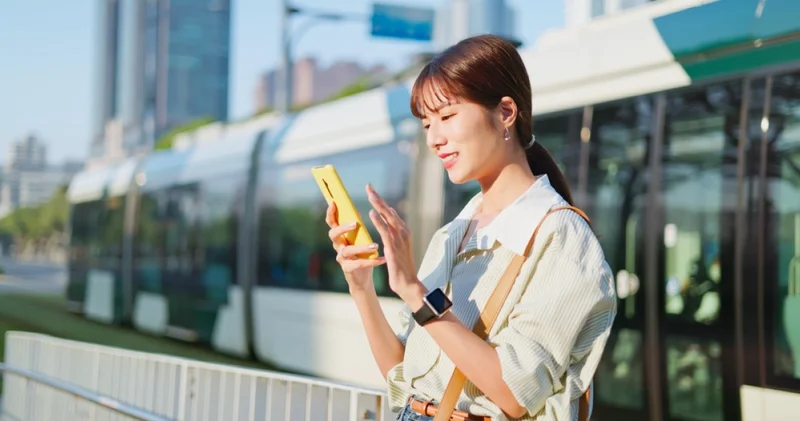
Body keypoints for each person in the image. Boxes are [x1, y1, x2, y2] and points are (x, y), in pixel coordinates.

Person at [325, 34, 617, 421]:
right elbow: (405, 377)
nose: (433, 139)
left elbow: (515, 393)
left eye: (446, 117)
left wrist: (416, 293)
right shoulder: (454, 232)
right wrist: (360, 285)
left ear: (506, 112)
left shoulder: (561, 238)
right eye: (427, 123)